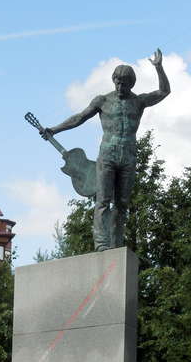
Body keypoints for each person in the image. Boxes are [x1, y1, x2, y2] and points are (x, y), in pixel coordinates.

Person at [41, 50, 170, 252]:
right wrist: (55, 129)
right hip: (108, 155)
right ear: (113, 81)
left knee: (122, 204)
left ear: (131, 84)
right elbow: (80, 117)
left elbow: (163, 91)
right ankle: (101, 244)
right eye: (117, 82)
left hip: (128, 156)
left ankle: (116, 244)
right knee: (103, 201)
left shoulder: (138, 102)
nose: (120, 87)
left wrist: (158, 67)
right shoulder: (103, 100)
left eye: (125, 84)